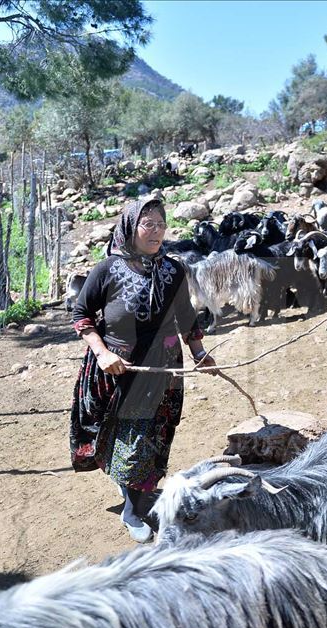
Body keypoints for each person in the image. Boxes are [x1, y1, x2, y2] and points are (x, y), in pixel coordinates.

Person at [69, 198, 215, 542]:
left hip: (162, 368)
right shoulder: (107, 270)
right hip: (117, 368)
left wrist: (199, 351)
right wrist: (103, 353)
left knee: (153, 435)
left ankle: (135, 492)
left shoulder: (173, 269)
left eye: (161, 225)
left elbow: (185, 314)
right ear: (130, 227)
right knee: (130, 438)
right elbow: (81, 315)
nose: (157, 231)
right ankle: (132, 509)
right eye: (148, 224)